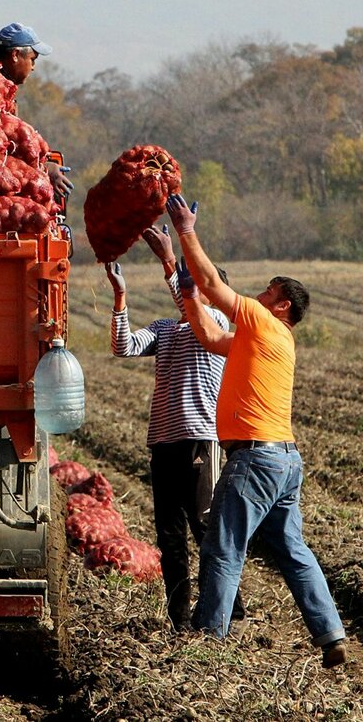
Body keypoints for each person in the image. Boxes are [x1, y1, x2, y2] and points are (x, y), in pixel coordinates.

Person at [166, 193, 348, 668]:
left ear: (281, 304)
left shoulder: (263, 321)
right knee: (292, 549)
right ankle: (330, 633)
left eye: (268, 291)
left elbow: (211, 280)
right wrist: (187, 295)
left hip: (255, 458)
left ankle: (208, 640)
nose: (259, 295)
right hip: (284, 460)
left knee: (222, 545)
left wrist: (186, 230)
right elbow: (207, 335)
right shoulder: (269, 337)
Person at [105, 223, 243, 631]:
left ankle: (229, 610)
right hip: (163, 444)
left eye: (197, 283)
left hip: (201, 441)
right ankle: (179, 618)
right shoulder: (166, 329)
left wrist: (168, 259)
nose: (190, 288)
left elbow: (192, 308)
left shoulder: (216, 324)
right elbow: (122, 346)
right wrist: (120, 296)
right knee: (170, 538)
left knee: (207, 530)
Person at [0, 22, 72, 203]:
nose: (33, 67)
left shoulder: (3, 89)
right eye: (32, 59)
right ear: (15, 55)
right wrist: (43, 168)